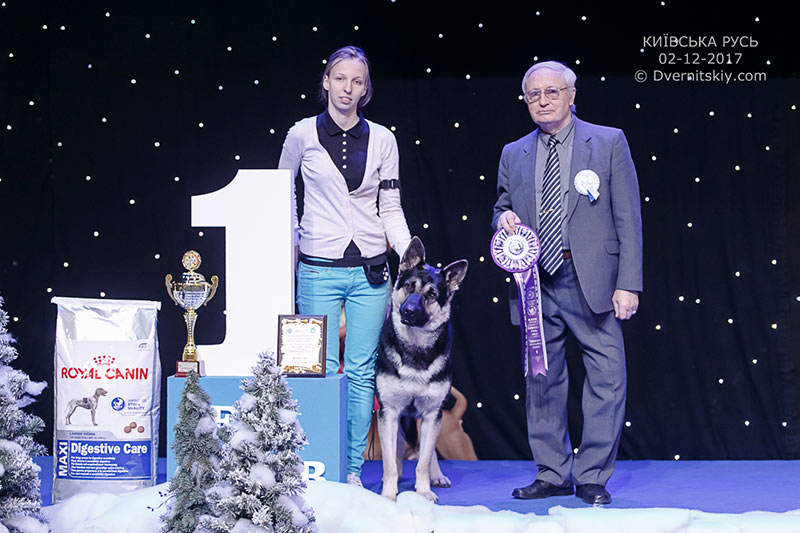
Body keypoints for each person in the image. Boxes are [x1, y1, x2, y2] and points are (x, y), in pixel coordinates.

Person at [491, 60, 642, 505]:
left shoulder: (608, 141)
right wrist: (503, 219)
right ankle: (552, 473)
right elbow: (501, 205)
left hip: (593, 278)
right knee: (542, 378)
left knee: (607, 378)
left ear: (571, 96)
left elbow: (628, 218)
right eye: (533, 95)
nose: (542, 101)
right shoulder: (513, 152)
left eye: (552, 92)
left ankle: (592, 475)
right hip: (535, 281)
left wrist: (628, 282)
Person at [279, 46, 411, 486]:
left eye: (357, 81)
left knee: (360, 373)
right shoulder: (301, 134)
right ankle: (316, 464)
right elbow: (282, 194)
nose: (347, 89)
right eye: (340, 79)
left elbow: (390, 206)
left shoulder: (384, 139)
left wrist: (410, 254)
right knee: (316, 369)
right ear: (326, 81)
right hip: (318, 268)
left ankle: (350, 469)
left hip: (370, 271)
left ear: (365, 89)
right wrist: (291, 246)